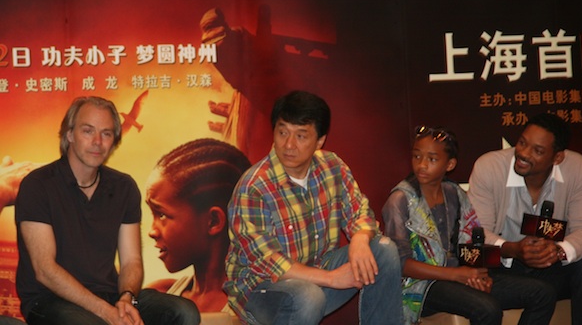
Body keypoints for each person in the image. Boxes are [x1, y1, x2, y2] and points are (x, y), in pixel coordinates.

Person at [15, 96, 200, 325]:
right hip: (50, 299)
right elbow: (45, 270)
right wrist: (106, 312)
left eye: (106, 133)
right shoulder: (38, 185)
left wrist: (126, 298)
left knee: (184, 312)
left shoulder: (123, 187)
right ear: (69, 135)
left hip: (110, 295)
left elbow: (131, 260)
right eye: (88, 131)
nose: (97, 141)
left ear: (114, 141)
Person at [224, 90, 403, 325]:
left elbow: (360, 212)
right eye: (282, 132)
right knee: (309, 296)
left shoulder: (332, 166)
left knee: (383, 250)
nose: (289, 144)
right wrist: (331, 278)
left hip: (317, 273)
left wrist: (359, 239)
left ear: (320, 141)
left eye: (301, 136)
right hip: (260, 289)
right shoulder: (254, 186)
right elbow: (267, 262)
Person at [382, 126, 555, 325]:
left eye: (432, 159)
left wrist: (480, 275)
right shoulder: (400, 200)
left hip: (459, 276)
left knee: (542, 293)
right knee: (487, 308)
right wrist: (457, 275)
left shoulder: (455, 194)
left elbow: (472, 244)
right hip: (420, 286)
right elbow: (400, 264)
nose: (422, 165)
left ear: (450, 164)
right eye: (417, 156)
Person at [469, 112, 582, 325]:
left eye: (537, 151)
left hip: (551, 263)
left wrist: (558, 251)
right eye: (522, 143)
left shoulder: (577, 169)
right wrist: (512, 249)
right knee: (540, 291)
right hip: (504, 266)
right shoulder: (490, 167)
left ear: (557, 157)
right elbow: (475, 234)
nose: (523, 154)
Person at [145, 138, 251, 313]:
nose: (152, 231)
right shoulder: (160, 296)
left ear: (213, 222)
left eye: (161, 214)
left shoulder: (255, 308)